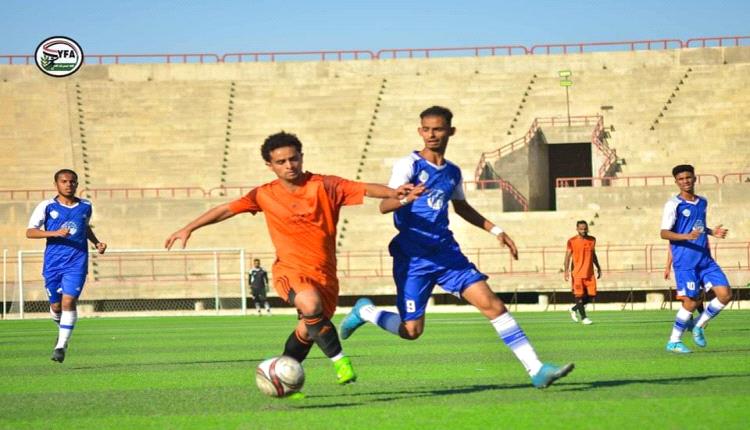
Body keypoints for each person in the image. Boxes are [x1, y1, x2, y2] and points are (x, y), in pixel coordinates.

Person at [339, 106, 574, 389]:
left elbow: (461, 207)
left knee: (494, 305)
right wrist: (406, 198)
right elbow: (384, 206)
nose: (431, 135)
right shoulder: (408, 165)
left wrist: (496, 230)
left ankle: (536, 369)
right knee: (411, 331)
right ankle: (366, 312)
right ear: (419, 131)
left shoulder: (452, 172)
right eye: (426, 129)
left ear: (451, 131)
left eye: (438, 129)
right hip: (414, 258)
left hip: (447, 254)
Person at [165, 131, 417, 386]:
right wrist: (189, 228)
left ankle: (279, 378)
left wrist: (394, 192)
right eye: (281, 162)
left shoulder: (325, 185)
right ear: (270, 165)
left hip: (325, 275)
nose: (289, 165)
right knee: (310, 304)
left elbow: (364, 188)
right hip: (290, 271)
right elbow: (225, 210)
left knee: (307, 330)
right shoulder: (263, 194)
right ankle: (341, 362)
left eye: (293, 159)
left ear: (301, 157)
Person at [26, 169, 107, 363]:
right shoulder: (46, 206)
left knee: (68, 302)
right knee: (56, 306)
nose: (69, 185)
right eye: (64, 181)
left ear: (76, 184)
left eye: (72, 182)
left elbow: (84, 227)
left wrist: (96, 243)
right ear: (56, 184)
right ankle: (62, 331)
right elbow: (30, 232)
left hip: (77, 262)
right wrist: (54, 233)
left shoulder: (86, 206)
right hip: (53, 263)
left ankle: (61, 346)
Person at [661, 164, 731, 353]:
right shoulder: (673, 204)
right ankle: (673, 341)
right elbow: (664, 233)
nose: (685, 181)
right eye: (681, 179)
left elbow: (698, 226)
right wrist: (686, 236)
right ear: (676, 182)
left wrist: (711, 232)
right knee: (691, 302)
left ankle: (698, 325)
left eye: (688, 177)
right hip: (685, 261)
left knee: (725, 294)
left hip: (705, 259)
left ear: (694, 178)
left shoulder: (702, 202)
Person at [563, 220, 601, 325]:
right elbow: (567, 257)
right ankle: (584, 318)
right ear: (577, 229)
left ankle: (573, 309)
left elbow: (593, 254)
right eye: (581, 229)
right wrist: (566, 271)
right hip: (577, 274)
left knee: (592, 295)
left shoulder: (592, 240)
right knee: (579, 296)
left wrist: (598, 267)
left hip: (589, 273)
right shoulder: (572, 241)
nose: (583, 231)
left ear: (587, 228)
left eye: (585, 229)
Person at [664, 247, 705, 328]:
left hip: (693, 268)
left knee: (696, 295)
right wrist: (668, 267)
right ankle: (690, 322)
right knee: (684, 296)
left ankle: (702, 319)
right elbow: (671, 248)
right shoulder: (675, 241)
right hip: (680, 270)